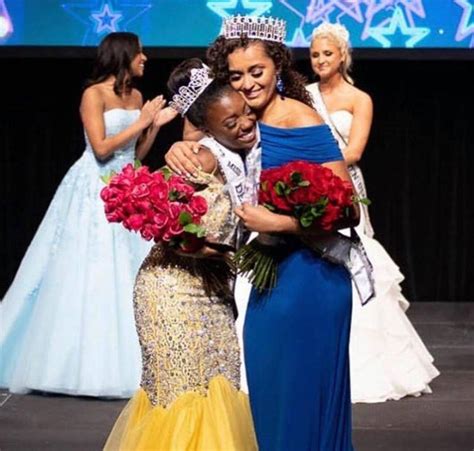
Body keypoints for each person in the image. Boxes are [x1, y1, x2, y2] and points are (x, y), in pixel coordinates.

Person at [166, 15, 358, 451]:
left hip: (312, 276)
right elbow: (199, 146)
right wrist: (179, 145)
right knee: (270, 398)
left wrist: (279, 223)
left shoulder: (300, 119)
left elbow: (347, 207)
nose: (249, 84)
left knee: (302, 403)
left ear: (277, 66)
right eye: (236, 76)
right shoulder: (236, 121)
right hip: (270, 276)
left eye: (257, 71)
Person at [0, 31, 177, 397]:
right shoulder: (93, 94)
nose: (145, 58)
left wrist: (154, 126)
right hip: (93, 188)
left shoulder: (137, 96)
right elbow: (100, 148)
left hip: (127, 185)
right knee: (88, 270)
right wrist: (142, 122)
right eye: (140, 53)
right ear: (124, 55)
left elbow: (136, 155)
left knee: (130, 273)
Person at [103, 58, 258, 450]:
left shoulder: (240, 153)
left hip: (212, 294)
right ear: (207, 128)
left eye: (244, 112)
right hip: (170, 291)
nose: (244, 123)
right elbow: (167, 229)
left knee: (219, 390)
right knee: (181, 398)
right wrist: (216, 253)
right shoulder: (197, 159)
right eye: (230, 122)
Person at [306, 21, 439, 403]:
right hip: (307, 184)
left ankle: (370, 362)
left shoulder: (359, 98)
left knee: (354, 258)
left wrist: (315, 166)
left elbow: (355, 151)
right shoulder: (304, 95)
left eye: (327, 54)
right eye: (315, 54)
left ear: (342, 55)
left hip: (344, 183)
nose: (320, 61)